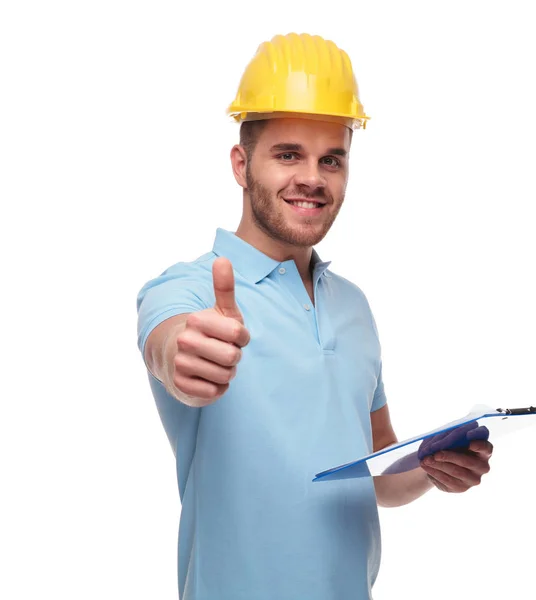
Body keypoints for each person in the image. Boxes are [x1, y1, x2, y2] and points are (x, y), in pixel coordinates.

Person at [136, 32, 493, 600]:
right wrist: (182, 352)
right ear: (240, 163)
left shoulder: (353, 305)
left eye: (332, 159)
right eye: (287, 154)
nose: (313, 177)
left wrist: (431, 467)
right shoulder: (190, 288)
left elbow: (379, 475)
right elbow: (167, 339)